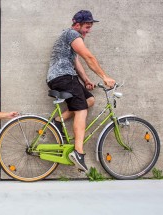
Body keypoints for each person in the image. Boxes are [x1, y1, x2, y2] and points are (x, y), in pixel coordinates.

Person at [46, 10, 116, 171]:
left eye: (90, 27)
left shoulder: (70, 38)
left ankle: (58, 121)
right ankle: (78, 152)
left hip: (65, 77)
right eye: (87, 26)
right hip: (63, 77)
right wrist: (104, 76)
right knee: (81, 109)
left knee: (89, 100)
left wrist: (85, 80)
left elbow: (76, 61)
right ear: (77, 24)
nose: (88, 30)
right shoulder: (72, 34)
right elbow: (88, 57)